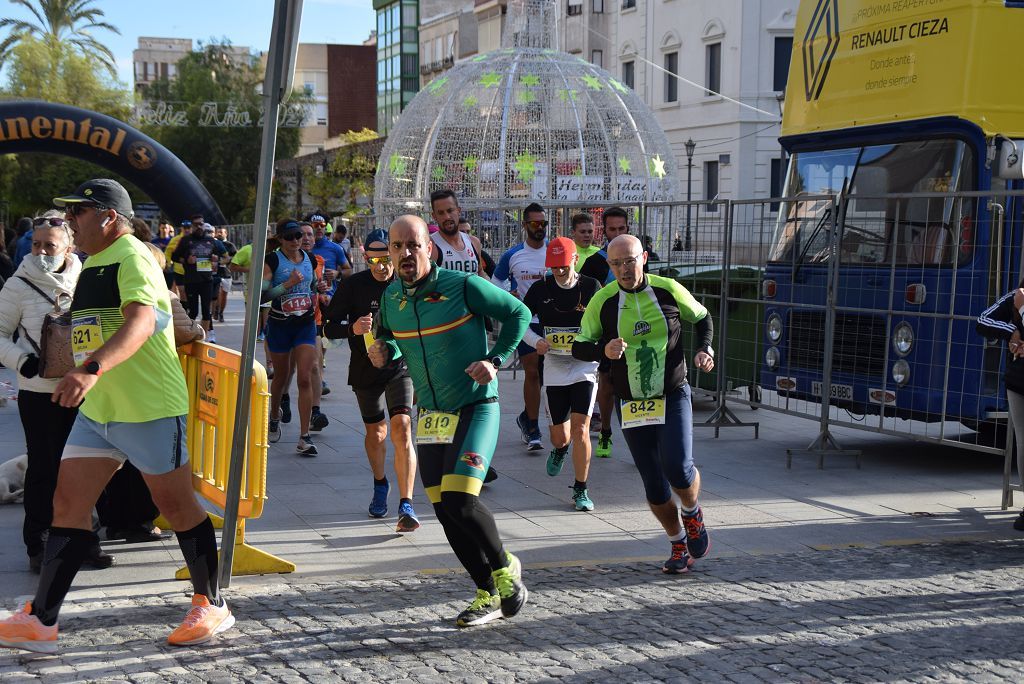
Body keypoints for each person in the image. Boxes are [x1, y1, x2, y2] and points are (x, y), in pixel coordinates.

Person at [0, 179, 234, 653]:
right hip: (100, 410)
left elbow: (142, 322)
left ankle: (212, 602)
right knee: (67, 506)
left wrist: (89, 370)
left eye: (79, 212)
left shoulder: (132, 257)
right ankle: (42, 620)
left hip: (148, 407)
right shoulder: (94, 262)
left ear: (108, 216)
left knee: (177, 508)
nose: (70, 221)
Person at [369, 215, 529, 627]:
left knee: (461, 498)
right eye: (398, 246)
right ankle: (486, 592)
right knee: (443, 509)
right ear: (390, 251)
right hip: (432, 416)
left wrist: (495, 360)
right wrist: (384, 351)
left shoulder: (462, 286)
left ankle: (506, 566)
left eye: (414, 244)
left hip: (476, 406)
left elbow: (519, 314)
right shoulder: (391, 299)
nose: (406, 253)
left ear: (430, 247)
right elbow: (388, 336)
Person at [572, 234, 714, 575]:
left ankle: (692, 513)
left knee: (678, 468)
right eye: (616, 263)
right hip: (631, 402)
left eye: (630, 260)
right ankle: (678, 542)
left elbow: (704, 316)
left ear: (644, 257)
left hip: (672, 392)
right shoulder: (603, 301)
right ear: (609, 265)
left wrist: (706, 349)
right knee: (653, 482)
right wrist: (602, 351)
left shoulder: (667, 289)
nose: (623, 269)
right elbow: (579, 346)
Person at [0, 211, 114, 572]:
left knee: (85, 469)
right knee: (44, 470)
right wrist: (23, 362)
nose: (41, 251)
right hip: (40, 391)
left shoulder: (88, 277)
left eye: (49, 244)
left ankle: (83, 542)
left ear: (68, 245)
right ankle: (40, 544)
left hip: (85, 386)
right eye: (35, 244)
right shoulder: (17, 285)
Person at [323, 228, 420, 531]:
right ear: (364, 258)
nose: (381, 266)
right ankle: (380, 483)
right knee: (377, 434)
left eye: (385, 258)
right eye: (373, 259)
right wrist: (352, 328)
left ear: (395, 253)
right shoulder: (353, 286)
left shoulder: (408, 284)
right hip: (365, 370)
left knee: (402, 428)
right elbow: (328, 328)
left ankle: (407, 504)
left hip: (400, 367)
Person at [521, 238, 601, 511]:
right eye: (553, 267)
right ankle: (560, 449)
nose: (558, 272)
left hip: (584, 366)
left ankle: (581, 489)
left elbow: (605, 323)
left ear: (575, 260)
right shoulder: (539, 289)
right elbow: (520, 323)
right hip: (554, 366)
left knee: (581, 429)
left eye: (563, 266)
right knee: (560, 437)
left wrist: (596, 345)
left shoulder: (591, 287)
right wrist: (536, 342)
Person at [263, 219, 325, 456]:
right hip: (280, 326)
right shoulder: (274, 260)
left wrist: (321, 288)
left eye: (298, 235)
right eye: (289, 236)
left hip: (304, 325)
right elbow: (262, 294)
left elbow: (313, 286)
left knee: (306, 377)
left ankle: (304, 437)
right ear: (280, 239)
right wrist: (287, 284)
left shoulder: (309, 258)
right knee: (281, 377)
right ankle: (274, 415)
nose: (296, 240)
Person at [492, 202, 550, 451]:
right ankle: (534, 427)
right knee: (533, 372)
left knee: (549, 377)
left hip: (554, 323)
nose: (540, 228)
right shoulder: (512, 255)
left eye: (544, 224)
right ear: (525, 225)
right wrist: (511, 296)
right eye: (535, 223)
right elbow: (496, 283)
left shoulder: (554, 251)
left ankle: (526, 416)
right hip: (527, 323)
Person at [580, 207, 635, 455]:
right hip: (608, 330)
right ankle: (605, 432)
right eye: (612, 229)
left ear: (628, 228)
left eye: (621, 229)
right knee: (607, 383)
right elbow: (585, 299)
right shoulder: (594, 262)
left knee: (637, 384)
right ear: (605, 230)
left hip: (636, 328)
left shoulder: (639, 256)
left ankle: (640, 435)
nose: (616, 233)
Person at [977, 283, 1024, 531]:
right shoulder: (1017, 296)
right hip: (1018, 380)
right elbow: (982, 320)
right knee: (1023, 443)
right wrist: (1013, 333)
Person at [172, 221, 226, 343]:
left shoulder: (211, 241)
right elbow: (174, 257)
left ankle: (203, 339)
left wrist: (217, 261)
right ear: (192, 227)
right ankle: (189, 336)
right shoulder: (186, 240)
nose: (199, 227)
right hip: (191, 280)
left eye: (201, 224)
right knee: (193, 311)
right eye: (196, 225)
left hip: (207, 280)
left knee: (207, 311)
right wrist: (186, 260)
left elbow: (225, 257)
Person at [429, 190, 486, 276]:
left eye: (450, 211)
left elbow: (480, 272)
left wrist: (492, 288)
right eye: (441, 213)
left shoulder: (474, 242)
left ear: (458, 211)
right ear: (434, 216)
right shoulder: (430, 246)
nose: (447, 217)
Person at [212, 226, 236, 323]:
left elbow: (236, 258)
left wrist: (227, 260)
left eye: (222, 232)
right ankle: (216, 310)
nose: (219, 234)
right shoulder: (214, 244)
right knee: (217, 293)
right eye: (218, 232)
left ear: (226, 234)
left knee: (224, 294)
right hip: (216, 273)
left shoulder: (230, 245)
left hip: (226, 273)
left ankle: (221, 312)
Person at [164, 219, 193, 298]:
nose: (186, 230)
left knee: (189, 292)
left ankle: (189, 307)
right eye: (185, 228)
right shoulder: (175, 239)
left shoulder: (194, 239)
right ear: (181, 228)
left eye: (189, 228)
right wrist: (169, 263)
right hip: (179, 270)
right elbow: (168, 252)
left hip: (191, 270)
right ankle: (185, 308)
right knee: (181, 290)